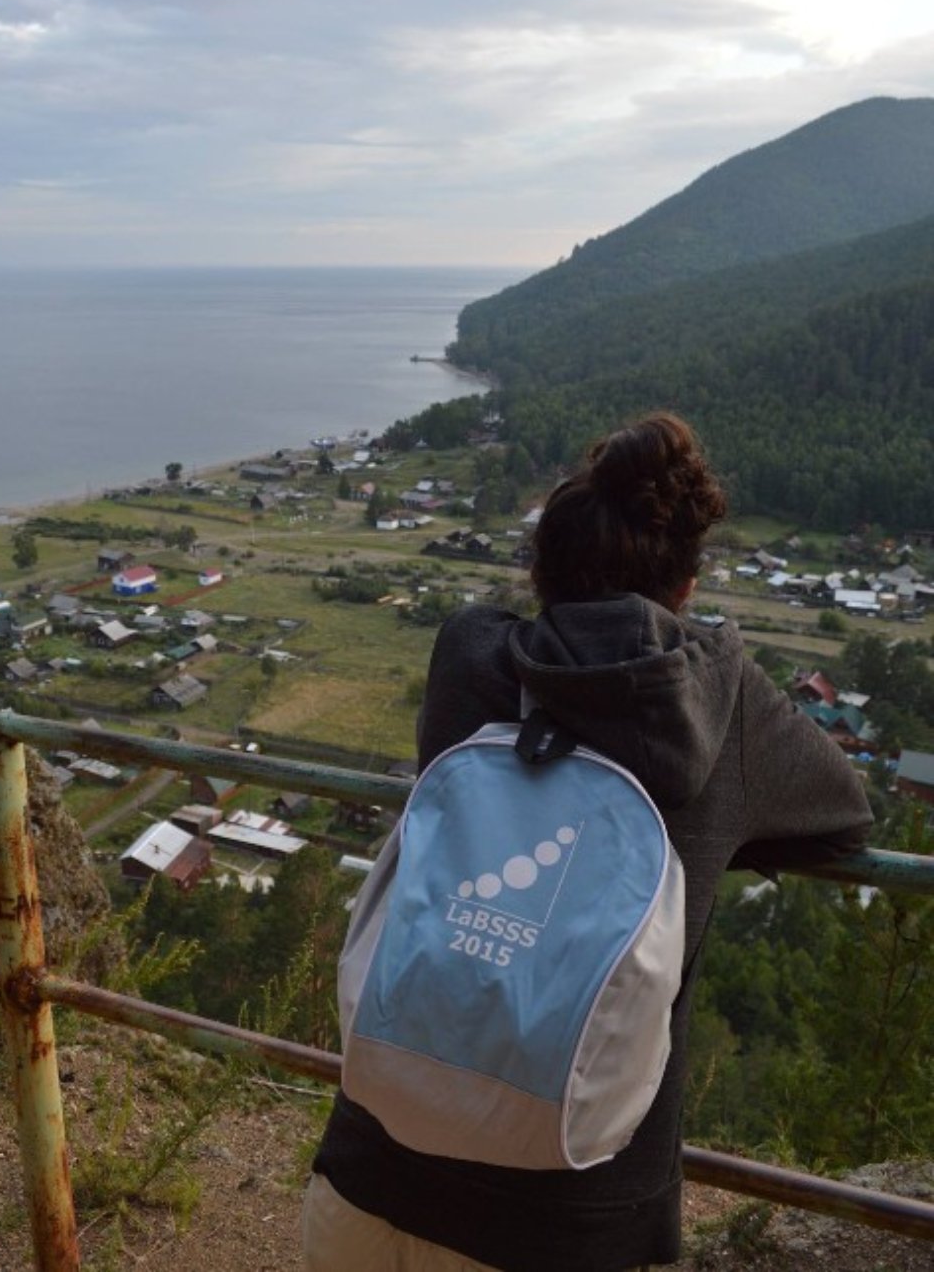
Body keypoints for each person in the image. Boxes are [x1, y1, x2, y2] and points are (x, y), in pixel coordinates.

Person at [303, 411, 873, 1272]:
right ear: (683, 588)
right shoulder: (725, 706)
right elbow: (845, 810)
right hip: (566, 1230)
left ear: (543, 571)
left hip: (368, 1184)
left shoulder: (468, 659)